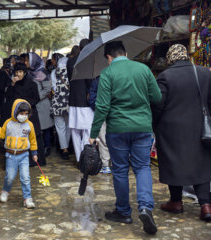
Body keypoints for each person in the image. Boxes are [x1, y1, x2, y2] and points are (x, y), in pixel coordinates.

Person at [89, 41, 161, 235]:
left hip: (117, 130)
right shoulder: (143, 69)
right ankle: (145, 207)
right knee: (142, 167)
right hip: (142, 128)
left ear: (109, 58)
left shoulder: (108, 73)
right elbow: (156, 97)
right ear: (126, 52)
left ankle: (123, 212)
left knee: (120, 170)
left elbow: (102, 106)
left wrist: (94, 133)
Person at [152, 44, 211, 221]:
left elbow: (157, 105)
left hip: (172, 131)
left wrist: (153, 126)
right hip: (200, 128)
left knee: (173, 163)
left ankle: (176, 201)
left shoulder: (165, 77)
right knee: (201, 163)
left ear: (170, 58)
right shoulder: (204, 73)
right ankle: (206, 205)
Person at [0, 99, 38, 209]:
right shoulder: (8, 123)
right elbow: (1, 134)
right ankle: (5, 191)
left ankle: (27, 198)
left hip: (24, 155)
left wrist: (34, 152)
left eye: (26, 114)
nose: (23, 116)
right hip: (10, 156)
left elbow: (33, 140)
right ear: (15, 111)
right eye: (21, 113)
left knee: (25, 177)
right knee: (9, 177)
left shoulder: (29, 125)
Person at [1, 63, 46, 166]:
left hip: (30, 114)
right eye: (16, 72)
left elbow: (36, 98)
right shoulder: (13, 84)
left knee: (32, 135)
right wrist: (12, 85)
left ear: (24, 73)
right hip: (17, 116)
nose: (18, 74)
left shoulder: (32, 84)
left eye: (20, 72)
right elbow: (8, 97)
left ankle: (34, 160)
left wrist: (26, 105)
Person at [67, 39, 93, 163]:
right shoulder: (88, 61)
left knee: (75, 132)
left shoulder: (70, 61)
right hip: (85, 101)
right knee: (87, 131)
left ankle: (79, 159)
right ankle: (85, 159)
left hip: (73, 99)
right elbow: (90, 83)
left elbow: (69, 79)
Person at [25, 53, 53, 158]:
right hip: (33, 105)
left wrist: (36, 97)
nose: (26, 63)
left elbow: (47, 89)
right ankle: (36, 149)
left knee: (45, 128)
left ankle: (46, 147)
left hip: (42, 105)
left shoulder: (41, 73)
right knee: (35, 128)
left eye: (27, 61)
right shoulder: (29, 73)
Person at [88, 76, 111, 174]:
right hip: (118, 113)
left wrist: (97, 108)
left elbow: (92, 99)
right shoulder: (120, 78)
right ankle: (116, 163)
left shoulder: (97, 80)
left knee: (103, 139)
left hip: (102, 112)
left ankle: (106, 165)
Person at [51, 57, 71, 160]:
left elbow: (53, 88)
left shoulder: (54, 72)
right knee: (68, 127)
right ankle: (66, 147)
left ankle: (64, 149)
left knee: (60, 128)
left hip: (57, 104)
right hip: (68, 103)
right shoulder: (71, 71)